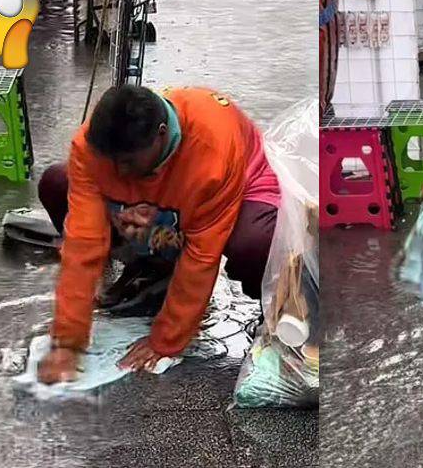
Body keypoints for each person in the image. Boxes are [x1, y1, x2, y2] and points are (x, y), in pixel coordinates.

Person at [36, 85, 280, 383]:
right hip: (164, 203)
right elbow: (82, 244)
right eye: (110, 163)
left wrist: (165, 341)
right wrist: (68, 340)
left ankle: (277, 313)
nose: (119, 173)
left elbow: (202, 255)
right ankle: (152, 267)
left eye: (128, 162)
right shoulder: (91, 149)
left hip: (241, 188)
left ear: (162, 133)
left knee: (255, 243)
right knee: (57, 182)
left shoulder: (211, 151)